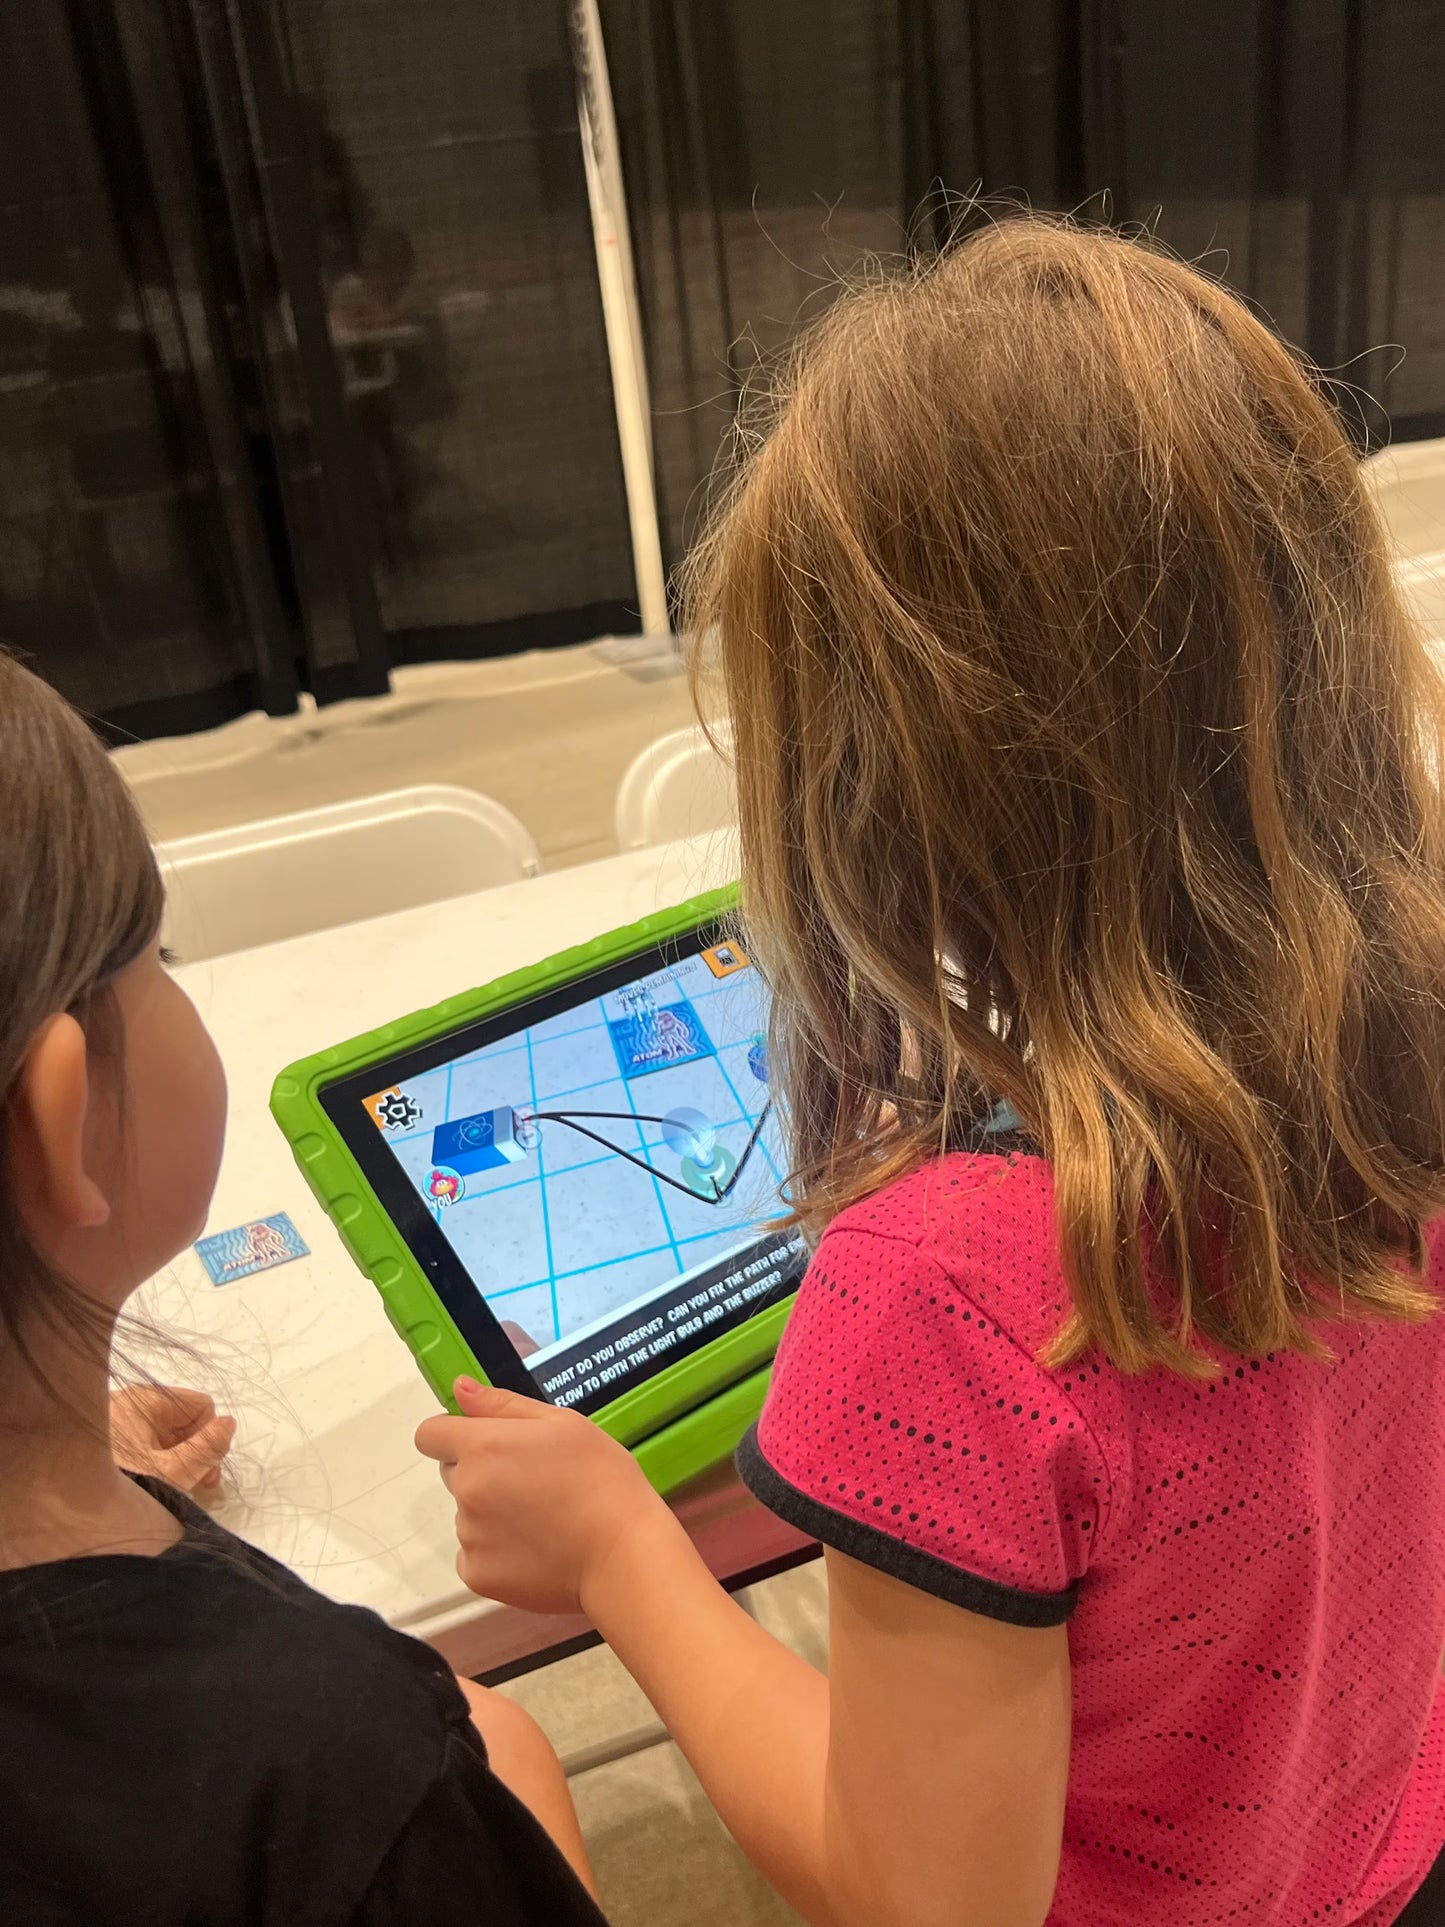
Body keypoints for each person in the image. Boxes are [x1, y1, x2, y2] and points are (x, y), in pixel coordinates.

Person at [417, 215, 1445, 1926]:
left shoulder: (946, 1290)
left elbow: (919, 1898)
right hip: (1373, 1856)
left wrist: (620, 1553)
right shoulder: (1398, 1040)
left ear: (867, 782)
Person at [0, 653, 606, 1926]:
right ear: (62, 1118)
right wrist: (487, 1770)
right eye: (156, 956)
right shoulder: (342, 1763)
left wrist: (63, 1473)